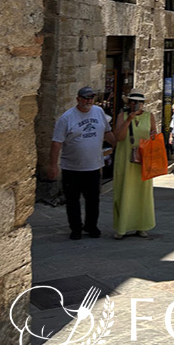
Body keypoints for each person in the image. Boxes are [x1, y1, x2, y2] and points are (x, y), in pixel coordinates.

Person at [49, 86, 115, 240]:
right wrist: (52, 165)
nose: (89, 101)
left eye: (91, 98)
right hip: (71, 168)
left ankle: (91, 226)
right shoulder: (67, 118)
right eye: (86, 98)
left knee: (93, 200)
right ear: (78, 99)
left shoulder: (99, 112)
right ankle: (76, 228)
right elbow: (56, 143)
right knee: (73, 201)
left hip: (93, 167)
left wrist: (118, 143)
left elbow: (107, 132)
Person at [111, 92, 157, 239]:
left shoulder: (149, 116)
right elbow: (118, 137)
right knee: (124, 192)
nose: (135, 105)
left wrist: (153, 137)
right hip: (125, 159)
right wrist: (129, 119)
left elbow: (154, 134)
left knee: (142, 193)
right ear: (128, 103)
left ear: (143, 104)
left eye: (138, 102)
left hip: (143, 161)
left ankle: (141, 226)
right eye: (132, 102)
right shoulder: (122, 116)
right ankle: (122, 227)